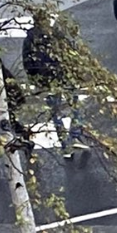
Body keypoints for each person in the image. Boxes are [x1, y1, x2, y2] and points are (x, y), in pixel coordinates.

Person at [23, 12, 85, 160]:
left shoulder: (30, 40)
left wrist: (35, 80)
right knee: (75, 105)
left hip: (46, 80)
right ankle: (76, 135)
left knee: (55, 112)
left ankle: (65, 146)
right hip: (63, 75)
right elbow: (70, 53)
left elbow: (27, 62)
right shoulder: (56, 35)